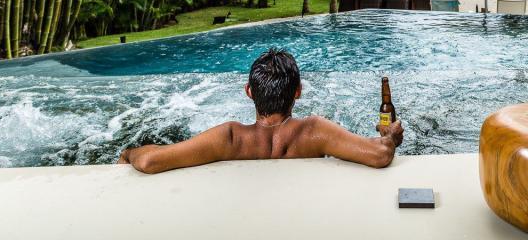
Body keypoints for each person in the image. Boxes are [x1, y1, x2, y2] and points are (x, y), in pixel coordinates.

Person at [118, 49, 404, 174]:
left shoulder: (230, 139)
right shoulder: (313, 132)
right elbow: (379, 154)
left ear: (249, 92)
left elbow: (150, 161)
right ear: (298, 92)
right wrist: (389, 136)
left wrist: (129, 153)